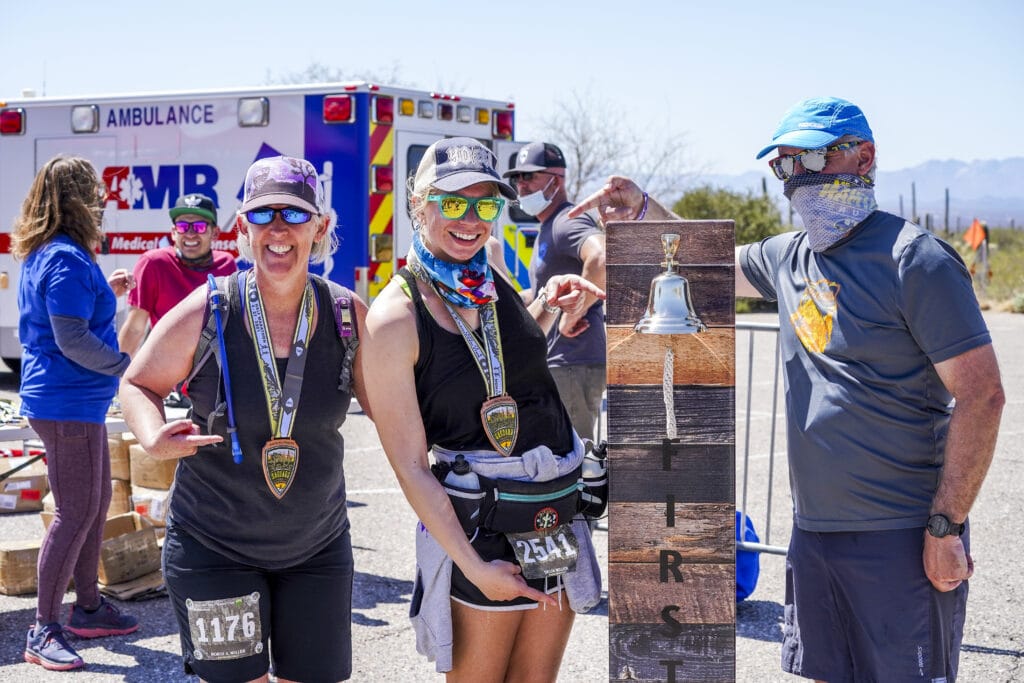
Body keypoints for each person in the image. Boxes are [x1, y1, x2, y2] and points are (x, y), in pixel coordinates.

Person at [571, 97, 1005, 682]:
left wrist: (946, 527)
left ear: (864, 157)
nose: (796, 179)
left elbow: (982, 397)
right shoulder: (787, 256)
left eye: (812, 158)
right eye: (784, 166)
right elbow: (700, 262)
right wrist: (642, 210)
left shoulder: (915, 261)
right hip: (814, 537)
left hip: (901, 539)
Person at [362, 137, 605, 682]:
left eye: (486, 204)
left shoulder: (487, 280)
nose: (471, 219)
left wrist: (545, 307)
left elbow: (503, 367)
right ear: (419, 205)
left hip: (550, 510)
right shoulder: (394, 317)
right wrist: (473, 567)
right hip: (481, 526)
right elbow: (410, 465)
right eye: (453, 203)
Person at [119, 155, 369, 682]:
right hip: (214, 549)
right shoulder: (207, 310)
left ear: (320, 228)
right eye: (263, 215)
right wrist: (153, 437)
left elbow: (399, 408)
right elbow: (138, 384)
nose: (278, 229)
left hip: (317, 549)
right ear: (241, 229)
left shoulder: (348, 316)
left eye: (295, 215)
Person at [12, 156, 139, 671]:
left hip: (74, 402)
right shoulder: (63, 257)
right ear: (79, 200)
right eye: (96, 193)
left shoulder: (54, 253)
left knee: (95, 501)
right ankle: (44, 628)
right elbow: (71, 340)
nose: (103, 202)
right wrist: (127, 365)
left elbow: (63, 318)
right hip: (67, 402)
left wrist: (106, 294)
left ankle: (88, 607)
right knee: (74, 512)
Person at [502, 142, 607, 444]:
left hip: (572, 361)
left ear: (555, 181)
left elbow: (601, 256)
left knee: (575, 454)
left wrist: (575, 313)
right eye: (517, 179)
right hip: (562, 361)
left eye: (529, 177)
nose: (521, 185)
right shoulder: (550, 224)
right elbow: (546, 289)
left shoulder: (565, 220)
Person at [117, 192, 236, 359]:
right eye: (182, 226)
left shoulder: (227, 264)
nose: (190, 233)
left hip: (211, 368)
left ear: (215, 233)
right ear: (173, 232)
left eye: (200, 226)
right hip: (165, 369)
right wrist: (115, 377)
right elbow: (135, 328)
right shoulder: (153, 263)